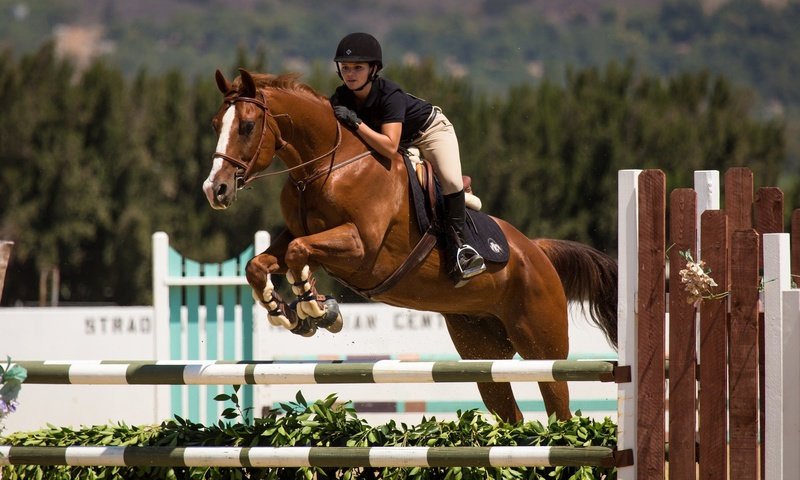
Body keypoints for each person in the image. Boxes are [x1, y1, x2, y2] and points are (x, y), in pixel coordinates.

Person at [329, 32, 485, 287]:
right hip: (397, 141)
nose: (350, 73)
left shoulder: (390, 95)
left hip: (429, 131)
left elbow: (389, 147)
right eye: (345, 67)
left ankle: (461, 249)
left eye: (358, 67)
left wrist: (356, 123)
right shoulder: (340, 98)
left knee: (450, 181)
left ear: (373, 69)